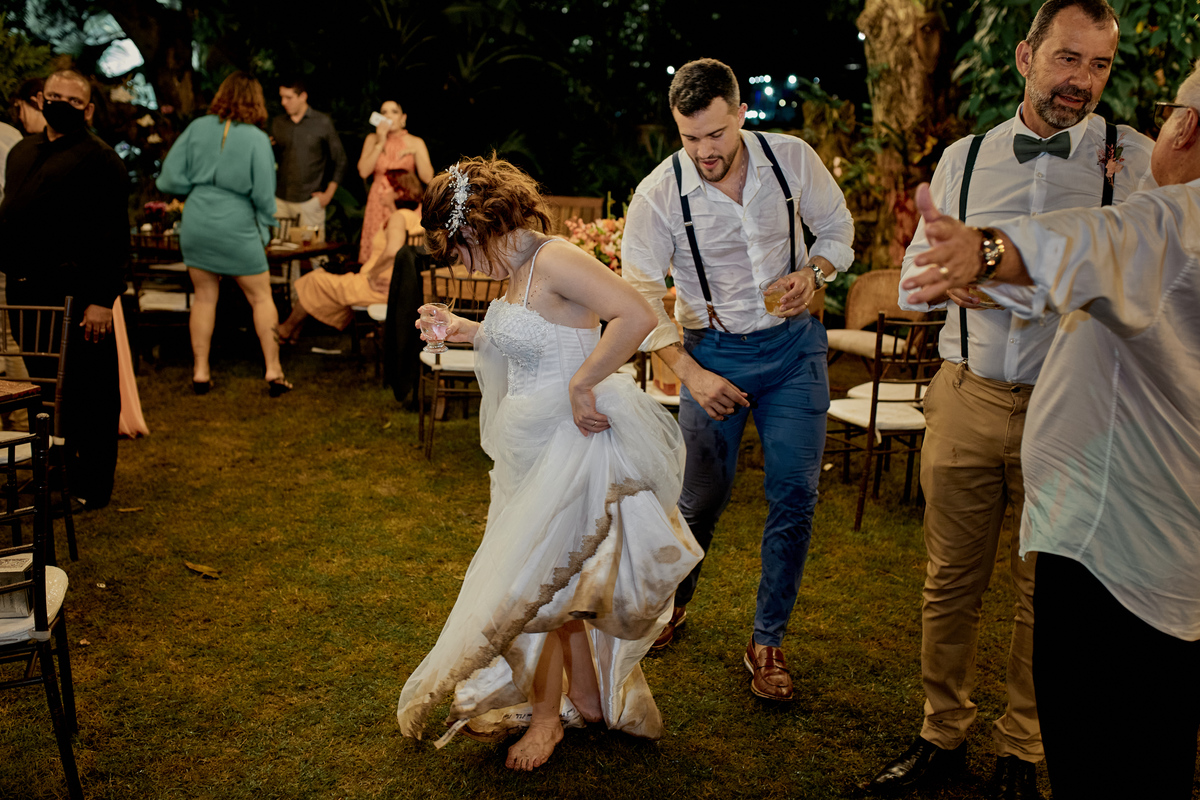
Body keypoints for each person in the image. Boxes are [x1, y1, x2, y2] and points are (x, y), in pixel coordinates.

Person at [862, 2, 1156, 795]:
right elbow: (921, 283)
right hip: (966, 394)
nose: (1081, 82)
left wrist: (1009, 286)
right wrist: (943, 277)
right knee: (949, 578)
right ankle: (940, 736)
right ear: (1025, 56)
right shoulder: (963, 159)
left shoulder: (1135, 161)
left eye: (1098, 65)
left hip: (1078, 409)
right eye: (1068, 59)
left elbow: (1145, 284)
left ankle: (1024, 753)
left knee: (1046, 589)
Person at [396, 156, 702, 771]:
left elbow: (637, 316)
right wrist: (462, 328)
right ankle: (584, 694)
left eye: (455, 246)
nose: (457, 260)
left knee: (536, 585)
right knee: (557, 577)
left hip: (571, 441)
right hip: (526, 447)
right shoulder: (515, 271)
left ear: (477, 226)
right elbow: (528, 339)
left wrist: (586, 383)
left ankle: (546, 721)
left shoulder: (556, 259)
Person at [621, 58, 854, 700]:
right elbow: (638, 293)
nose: (704, 151)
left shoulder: (792, 159)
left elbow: (838, 229)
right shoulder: (658, 193)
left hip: (793, 352)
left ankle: (768, 640)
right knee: (701, 498)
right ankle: (673, 605)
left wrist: (815, 273)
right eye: (690, 137)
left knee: (794, 496)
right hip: (711, 354)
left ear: (740, 113)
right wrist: (690, 373)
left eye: (716, 135)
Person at [0, 68, 127, 510]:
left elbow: (113, 234)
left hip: (77, 295)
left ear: (88, 109)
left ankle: (91, 484)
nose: (60, 104)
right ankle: (55, 470)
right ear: (40, 99)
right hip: (24, 290)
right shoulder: (22, 150)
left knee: (87, 389)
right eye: (53, 96)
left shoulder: (101, 159)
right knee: (44, 386)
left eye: (72, 101)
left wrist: (101, 299)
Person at [156, 71, 291, 396]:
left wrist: (201, 187)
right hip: (237, 222)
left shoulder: (197, 128)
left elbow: (168, 180)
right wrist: (265, 228)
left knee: (203, 298)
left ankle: (201, 371)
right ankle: (273, 370)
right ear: (255, 100)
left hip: (198, 219)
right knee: (261, 297)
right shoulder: (257, 139)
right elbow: (262, 194)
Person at [277, 174, 423, 342]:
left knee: (314, 280)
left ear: (399, 192)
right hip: (386, 285)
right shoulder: (412, 217)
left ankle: (286, 329)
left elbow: (393, 251)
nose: (379, 191)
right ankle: (293, 332)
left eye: (384, 187)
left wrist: (373, 274)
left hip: (377, 286)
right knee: (319, 281)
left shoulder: (399, 217)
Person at [355, 100, 433, 262]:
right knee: (377, 247)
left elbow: (428, 177)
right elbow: (363, 171)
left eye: (394, 112)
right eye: (384, 112)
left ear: (402, 117)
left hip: (405, 200)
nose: (388, 116)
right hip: (380, 199)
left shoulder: (415, 142)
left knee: (403, 247)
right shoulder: (372, 139)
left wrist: (415, 153)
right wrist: (380, 142)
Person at [271, 79, 347, 238]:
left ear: (303, 96)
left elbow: (340, 160)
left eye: (288, 97)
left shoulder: (322, 122)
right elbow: (272, 159)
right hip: (281, 199)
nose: (283, 102)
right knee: (282, 252)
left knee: (313, 253)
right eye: (281, 97)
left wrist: (328, 194)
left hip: (309, 200)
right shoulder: (278, 123)